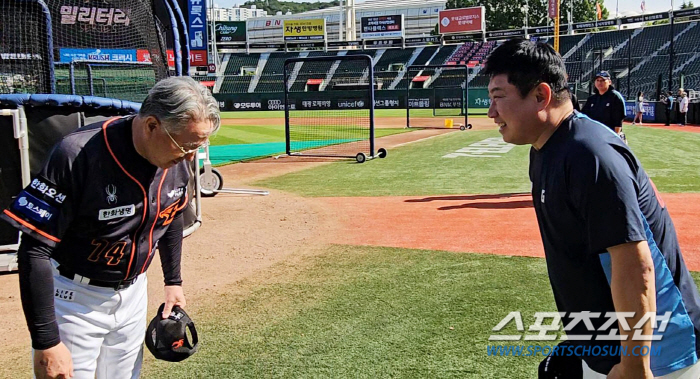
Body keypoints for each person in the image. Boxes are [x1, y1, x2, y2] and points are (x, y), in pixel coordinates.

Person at [484, 38, 700, 378]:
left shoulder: (589, 154)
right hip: (607, 344)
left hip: (659, 354)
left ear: (541, 96)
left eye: (498, 98)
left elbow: (635, 266)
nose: (491, 112)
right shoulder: (547, 149)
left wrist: (634, 366)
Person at [0, 76, 220, 379]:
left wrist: (173, 282)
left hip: (133, 296)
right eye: (185, 144)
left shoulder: (175, 158)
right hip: (73, 299)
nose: (190, 155)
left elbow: (171, 215)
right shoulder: (76, 154)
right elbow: (34, 249)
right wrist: (47, 342)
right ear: (152, 125)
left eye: (198, 145)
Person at [581, 71, 627, 141]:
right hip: (594, 136)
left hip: (610, 136)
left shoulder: (615, 97)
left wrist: (615, 138)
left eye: (602, 80)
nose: (599, 82)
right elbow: (584, 116)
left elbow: (618, 120)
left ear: (609, 82)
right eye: (597, 80)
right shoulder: (592, 99)